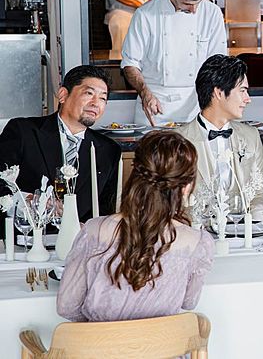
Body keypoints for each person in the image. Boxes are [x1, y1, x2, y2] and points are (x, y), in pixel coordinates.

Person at [57, 131, 214, 321]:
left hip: (101, 340)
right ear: (186, 187)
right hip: (163, 341)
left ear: (135, 176)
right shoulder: (197, 242)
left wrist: (103, 331)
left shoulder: (94, 231)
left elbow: (67, 306)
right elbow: (189, 302)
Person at [0, 66, 121, 234]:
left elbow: (107, 210)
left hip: (81, 242)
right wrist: (28, 200)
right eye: (89, 93)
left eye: (103, 98)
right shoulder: (24, 132)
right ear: (63, 95)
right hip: (26, 239)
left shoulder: (109, 150)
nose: (96, 103)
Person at [122, 0, 227, 127]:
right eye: (187, 4)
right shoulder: (145, 14)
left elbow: (218, 63)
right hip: (155, 104)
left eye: (198, 3)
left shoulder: (212, 13)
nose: (193, 10)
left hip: (196, 105)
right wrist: (144, 92)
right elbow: (130, 64)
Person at [174, 54, 263, 221]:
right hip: (195, 231)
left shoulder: (250, 136)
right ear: (218, 92)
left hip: (242, 230)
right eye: (242, 90)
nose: (248, 99)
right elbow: (171, 203)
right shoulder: (178, 141)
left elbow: (260, 195)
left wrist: (255, 223)